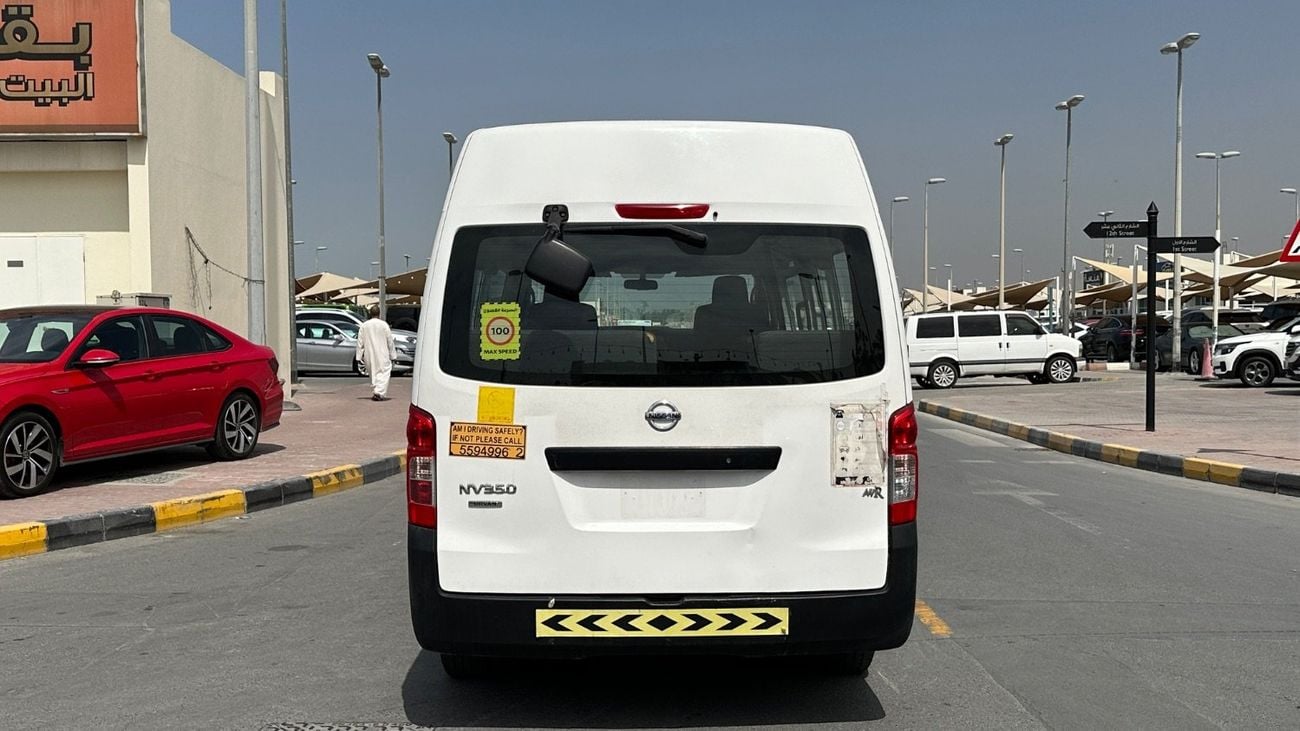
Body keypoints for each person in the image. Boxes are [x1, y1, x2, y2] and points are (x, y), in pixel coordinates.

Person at [356, 305, 396, 401]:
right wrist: (393, 355)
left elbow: (359, 342)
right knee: (384, 372)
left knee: (374, 372)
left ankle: (377, 390)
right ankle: (379, 391)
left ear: (370, 313)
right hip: (383, 353)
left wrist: (359, 356)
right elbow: (390, 341)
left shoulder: (364, 325)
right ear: (379, 313)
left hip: (369, 354)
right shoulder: (384, 325)